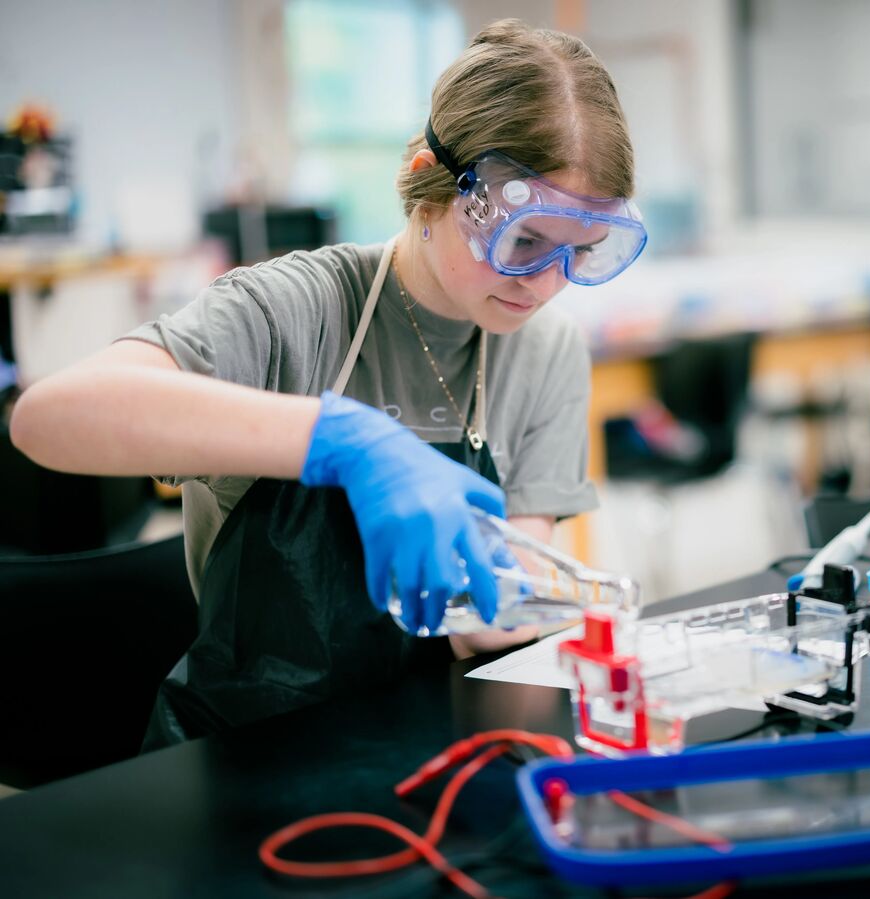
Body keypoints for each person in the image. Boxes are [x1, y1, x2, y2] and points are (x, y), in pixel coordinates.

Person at [10, 19, 645, 745]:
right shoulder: (296, 310)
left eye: (581, 253)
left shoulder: (544, 349)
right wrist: (339, 440)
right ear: (426, 179)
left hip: (428, 747)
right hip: (247, 758)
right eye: (523, 240)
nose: (544, 283)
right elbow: (47, 418)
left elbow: (489, 627)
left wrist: (535, 602)